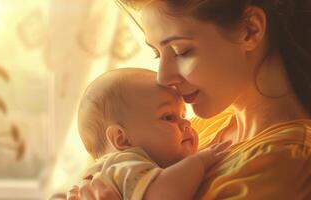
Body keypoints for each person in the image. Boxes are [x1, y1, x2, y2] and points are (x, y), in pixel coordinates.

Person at [68, 0, 311, 199]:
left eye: (180, 51)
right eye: (156, 54)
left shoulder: (285, 161)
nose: (163, 78)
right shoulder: (200, 128)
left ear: (250, 30)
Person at [76, 68, 231, 200]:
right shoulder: (123, 164)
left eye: (183, 115)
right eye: (168, 117)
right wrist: (199, 162)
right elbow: (164, 195)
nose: (187, 124)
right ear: (122, 139)